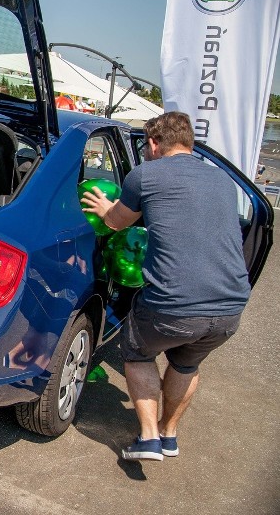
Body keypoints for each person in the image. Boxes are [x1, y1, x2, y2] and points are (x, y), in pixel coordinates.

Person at [81, 111, 250, 462]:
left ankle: (148, 439)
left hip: (173, 304)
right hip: (229, 308)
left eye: (146, 146)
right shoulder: (222, 181)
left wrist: (104, 205)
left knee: (138, 352)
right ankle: (168, 434)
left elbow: (115, 222)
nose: (145, 153)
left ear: (155, 143)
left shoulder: (146, 176)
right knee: (186, 365)